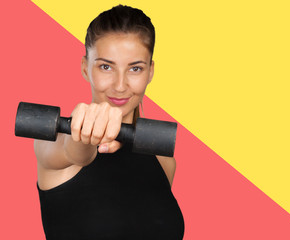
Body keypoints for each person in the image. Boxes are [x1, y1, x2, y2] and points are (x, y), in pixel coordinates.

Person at [33, 5, 185, 240]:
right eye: (106, 67)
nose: (120, 85)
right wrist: (86, 138)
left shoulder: (163, 160)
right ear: (85, 68)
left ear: (150, 72)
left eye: (135, 68)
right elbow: (76, 152)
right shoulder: (53, 141)